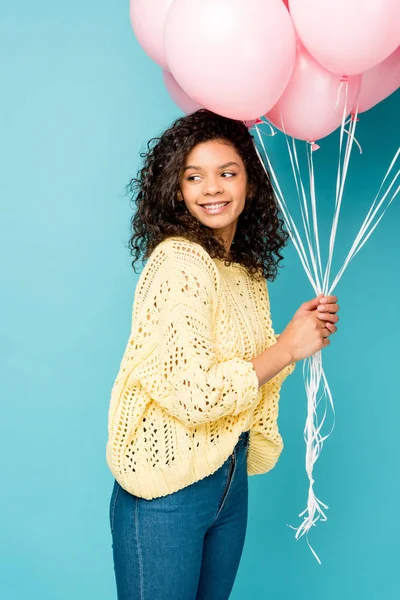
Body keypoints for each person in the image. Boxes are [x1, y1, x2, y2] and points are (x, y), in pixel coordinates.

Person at [106, 109, 339, 600]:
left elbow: (251, 380)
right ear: (176, 189)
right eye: (194, 177)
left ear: (250, 184)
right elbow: (194, 394)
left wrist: (302, 336)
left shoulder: (244, 273)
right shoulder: (178, 260)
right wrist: (286, 347)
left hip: (228, 478)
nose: (212, 188)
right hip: (166, 490)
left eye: (227, 173)